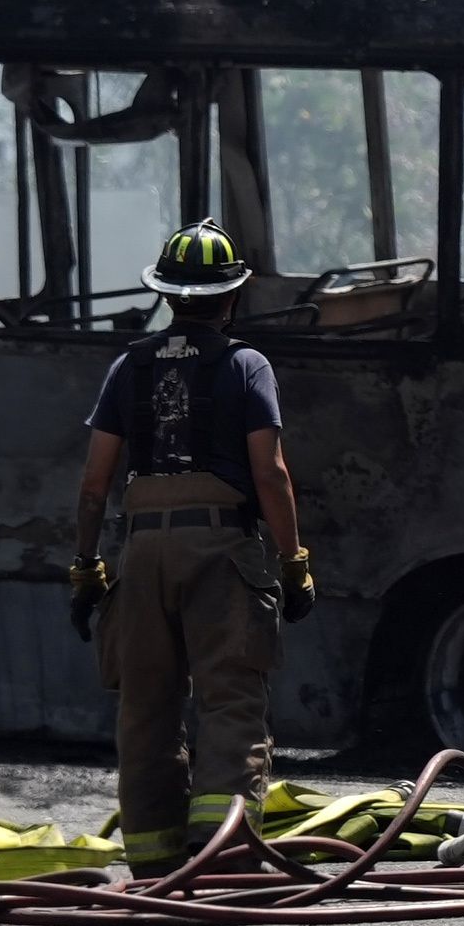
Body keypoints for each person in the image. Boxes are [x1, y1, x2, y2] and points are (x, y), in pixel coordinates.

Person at [70, 221, 316, 873]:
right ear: (232, 295)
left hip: (142, 551)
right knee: (230, 698)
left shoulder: (129, 365)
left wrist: (86, 565)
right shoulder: (245, 365)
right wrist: (294, 563)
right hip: (220, 548)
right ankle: (223, 856)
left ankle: (153, 862)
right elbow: (270, 472)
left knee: (144, 705)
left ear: (167, 295)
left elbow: (95, 482)